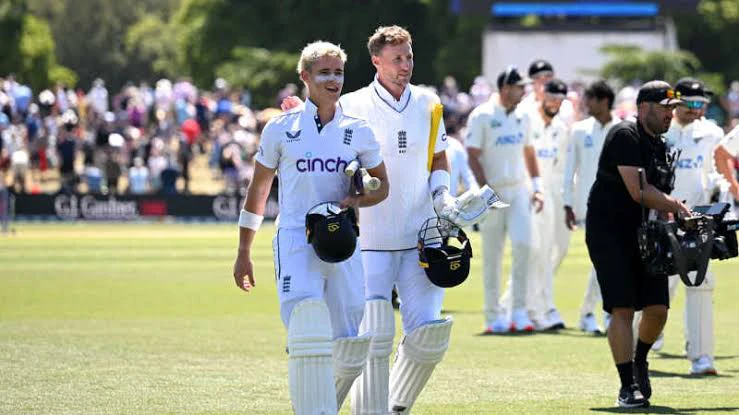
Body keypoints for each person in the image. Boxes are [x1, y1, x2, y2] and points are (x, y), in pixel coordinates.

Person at [231, 41, 389, 414]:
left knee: (349, 344)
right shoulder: (280, 129)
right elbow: (258, 190)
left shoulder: (358, 129)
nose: (333, 80)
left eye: (338, 73)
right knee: (306, 329)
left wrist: (357, 198)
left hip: (344, 242)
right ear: (305, 77)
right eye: (324, 73)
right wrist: (243, 251)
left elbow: (382, 187)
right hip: (296, 241)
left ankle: (322, 406)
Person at [586, 80, 691, 407]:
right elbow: (639, 191)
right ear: (643, 107)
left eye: (673, 109)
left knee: (658, 309)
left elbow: (656, 196)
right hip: (611, 232)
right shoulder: (624, 135)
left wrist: (682, 218)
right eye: (664, 108)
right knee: (623, 308)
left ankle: (640, 359)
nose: (670, 115)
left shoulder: (660, 144)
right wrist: (677, 207)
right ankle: (626, 385)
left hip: (646, 233)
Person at [648, 78, 729, 375]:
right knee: (659, 287)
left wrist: (721, 190)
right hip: (662, 220)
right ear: (675, 103)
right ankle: (646, 340)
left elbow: (716, 171)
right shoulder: (659, 133)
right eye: (690, 104)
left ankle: (701, 356)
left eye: (700, 104)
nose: (696, 110)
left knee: (701, 284)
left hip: (697, 222)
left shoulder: (711, 132)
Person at [467, 66, 544, 333]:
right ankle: (492, 316)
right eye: (519, 87)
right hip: (493, 193)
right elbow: (473, 154)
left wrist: (537, 186)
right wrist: (485, 190)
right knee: (492, 254)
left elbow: (529, 152)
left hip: (519, 190)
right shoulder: (482, 115)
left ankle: (519, 312)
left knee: (524, 246)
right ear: (505, 89)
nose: (523, 91)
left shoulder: (524, 116)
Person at [562, 80, 620, 334]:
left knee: (611, 262)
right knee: (604, 261)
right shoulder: (579, 130)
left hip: (619, 204)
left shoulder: (622, 128)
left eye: (591, 100)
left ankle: (600, 312)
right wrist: (567, 203)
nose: (586, 104)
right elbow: (569, 169)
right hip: (588, 204)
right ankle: (594, 313)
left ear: (604, 100)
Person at [521, 79, 570, 330]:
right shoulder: (528, 121)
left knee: (553, 250)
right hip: (529, 195)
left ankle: (538, 304)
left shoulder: (561, 128)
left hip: (551, 196)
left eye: (560, 100)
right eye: (552, 98)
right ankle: (535, 309)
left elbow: (561, 168)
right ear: (543, 96)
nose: (555, 104)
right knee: (536, 251)